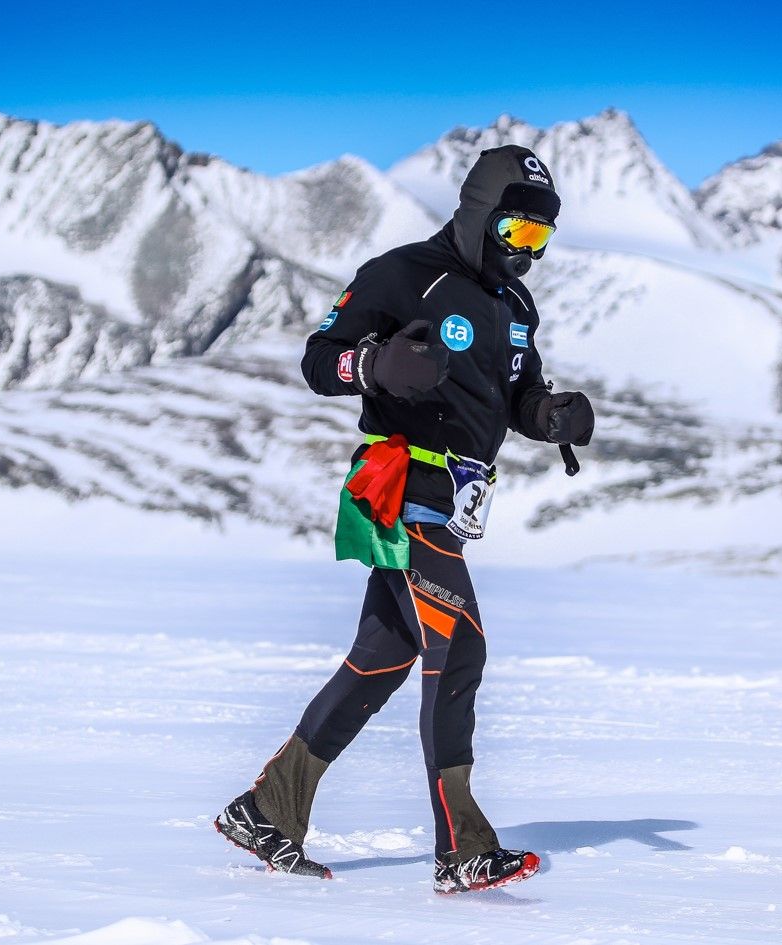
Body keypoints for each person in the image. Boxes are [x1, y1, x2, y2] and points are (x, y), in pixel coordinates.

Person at [216, 145, 594, 894]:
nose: (527, 252)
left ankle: (267, 807)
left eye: (539, 240)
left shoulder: (515, 309)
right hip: (400, 486)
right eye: (517, 232)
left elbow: (517, 394)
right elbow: (320, 360)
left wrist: (549, 414)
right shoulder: (403, 274)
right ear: (482, 213)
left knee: (384, 655)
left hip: (455, 501)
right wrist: (376, 364)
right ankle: (462, 847)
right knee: (460, 647)